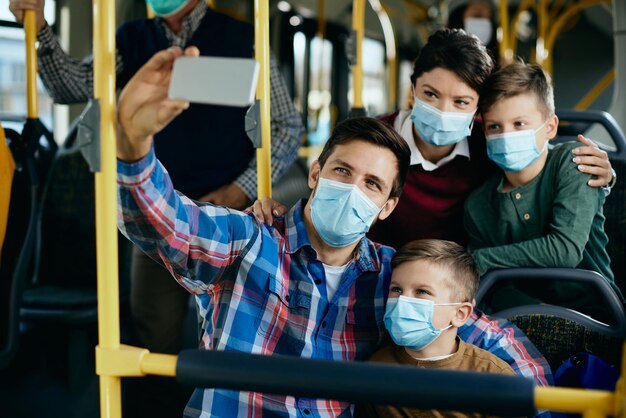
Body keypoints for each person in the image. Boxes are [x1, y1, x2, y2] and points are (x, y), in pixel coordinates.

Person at [116, 46, 552, 416]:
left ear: (387, 207)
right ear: (316, 173)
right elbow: (165, 222)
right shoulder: (247, 241)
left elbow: (489, 337)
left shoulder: (391, 280)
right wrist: (133, 147)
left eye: (372, 185)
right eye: (343, 172)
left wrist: (549, 406)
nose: (352, 191)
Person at [8, 0, 304, 358]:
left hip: (231, 222)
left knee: (236, 337)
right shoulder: (130, 39)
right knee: (154, 340)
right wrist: (39, 28)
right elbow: (70, 88)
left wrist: (239, 190)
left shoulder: (246, 38)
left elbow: (285, 127)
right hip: (154, 214)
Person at [368, 28, 614, 251]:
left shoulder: (490, 140)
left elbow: (540, 161)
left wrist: (603, 174)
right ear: (413, 89)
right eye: (430, 94)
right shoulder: (372, 140)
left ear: (478, 109)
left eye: (461, 102)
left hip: (462, 275)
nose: (444, 111)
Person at [464, 62, 623, 316]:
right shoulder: (477, 205)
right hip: (521, 316)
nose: (506, 135)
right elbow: (495, 287)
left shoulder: (573, 161)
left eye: (519, 124)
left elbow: (565, 250)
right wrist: (537, 314)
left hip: (597, 311)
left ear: (550, 127)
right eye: (495, 126)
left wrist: (481, 259)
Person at [356, 239, 516, 418]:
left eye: (422, 292)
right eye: (397, 289)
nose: (402, 301)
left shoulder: (494, 378)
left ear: (460, 314)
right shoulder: (375, 369)